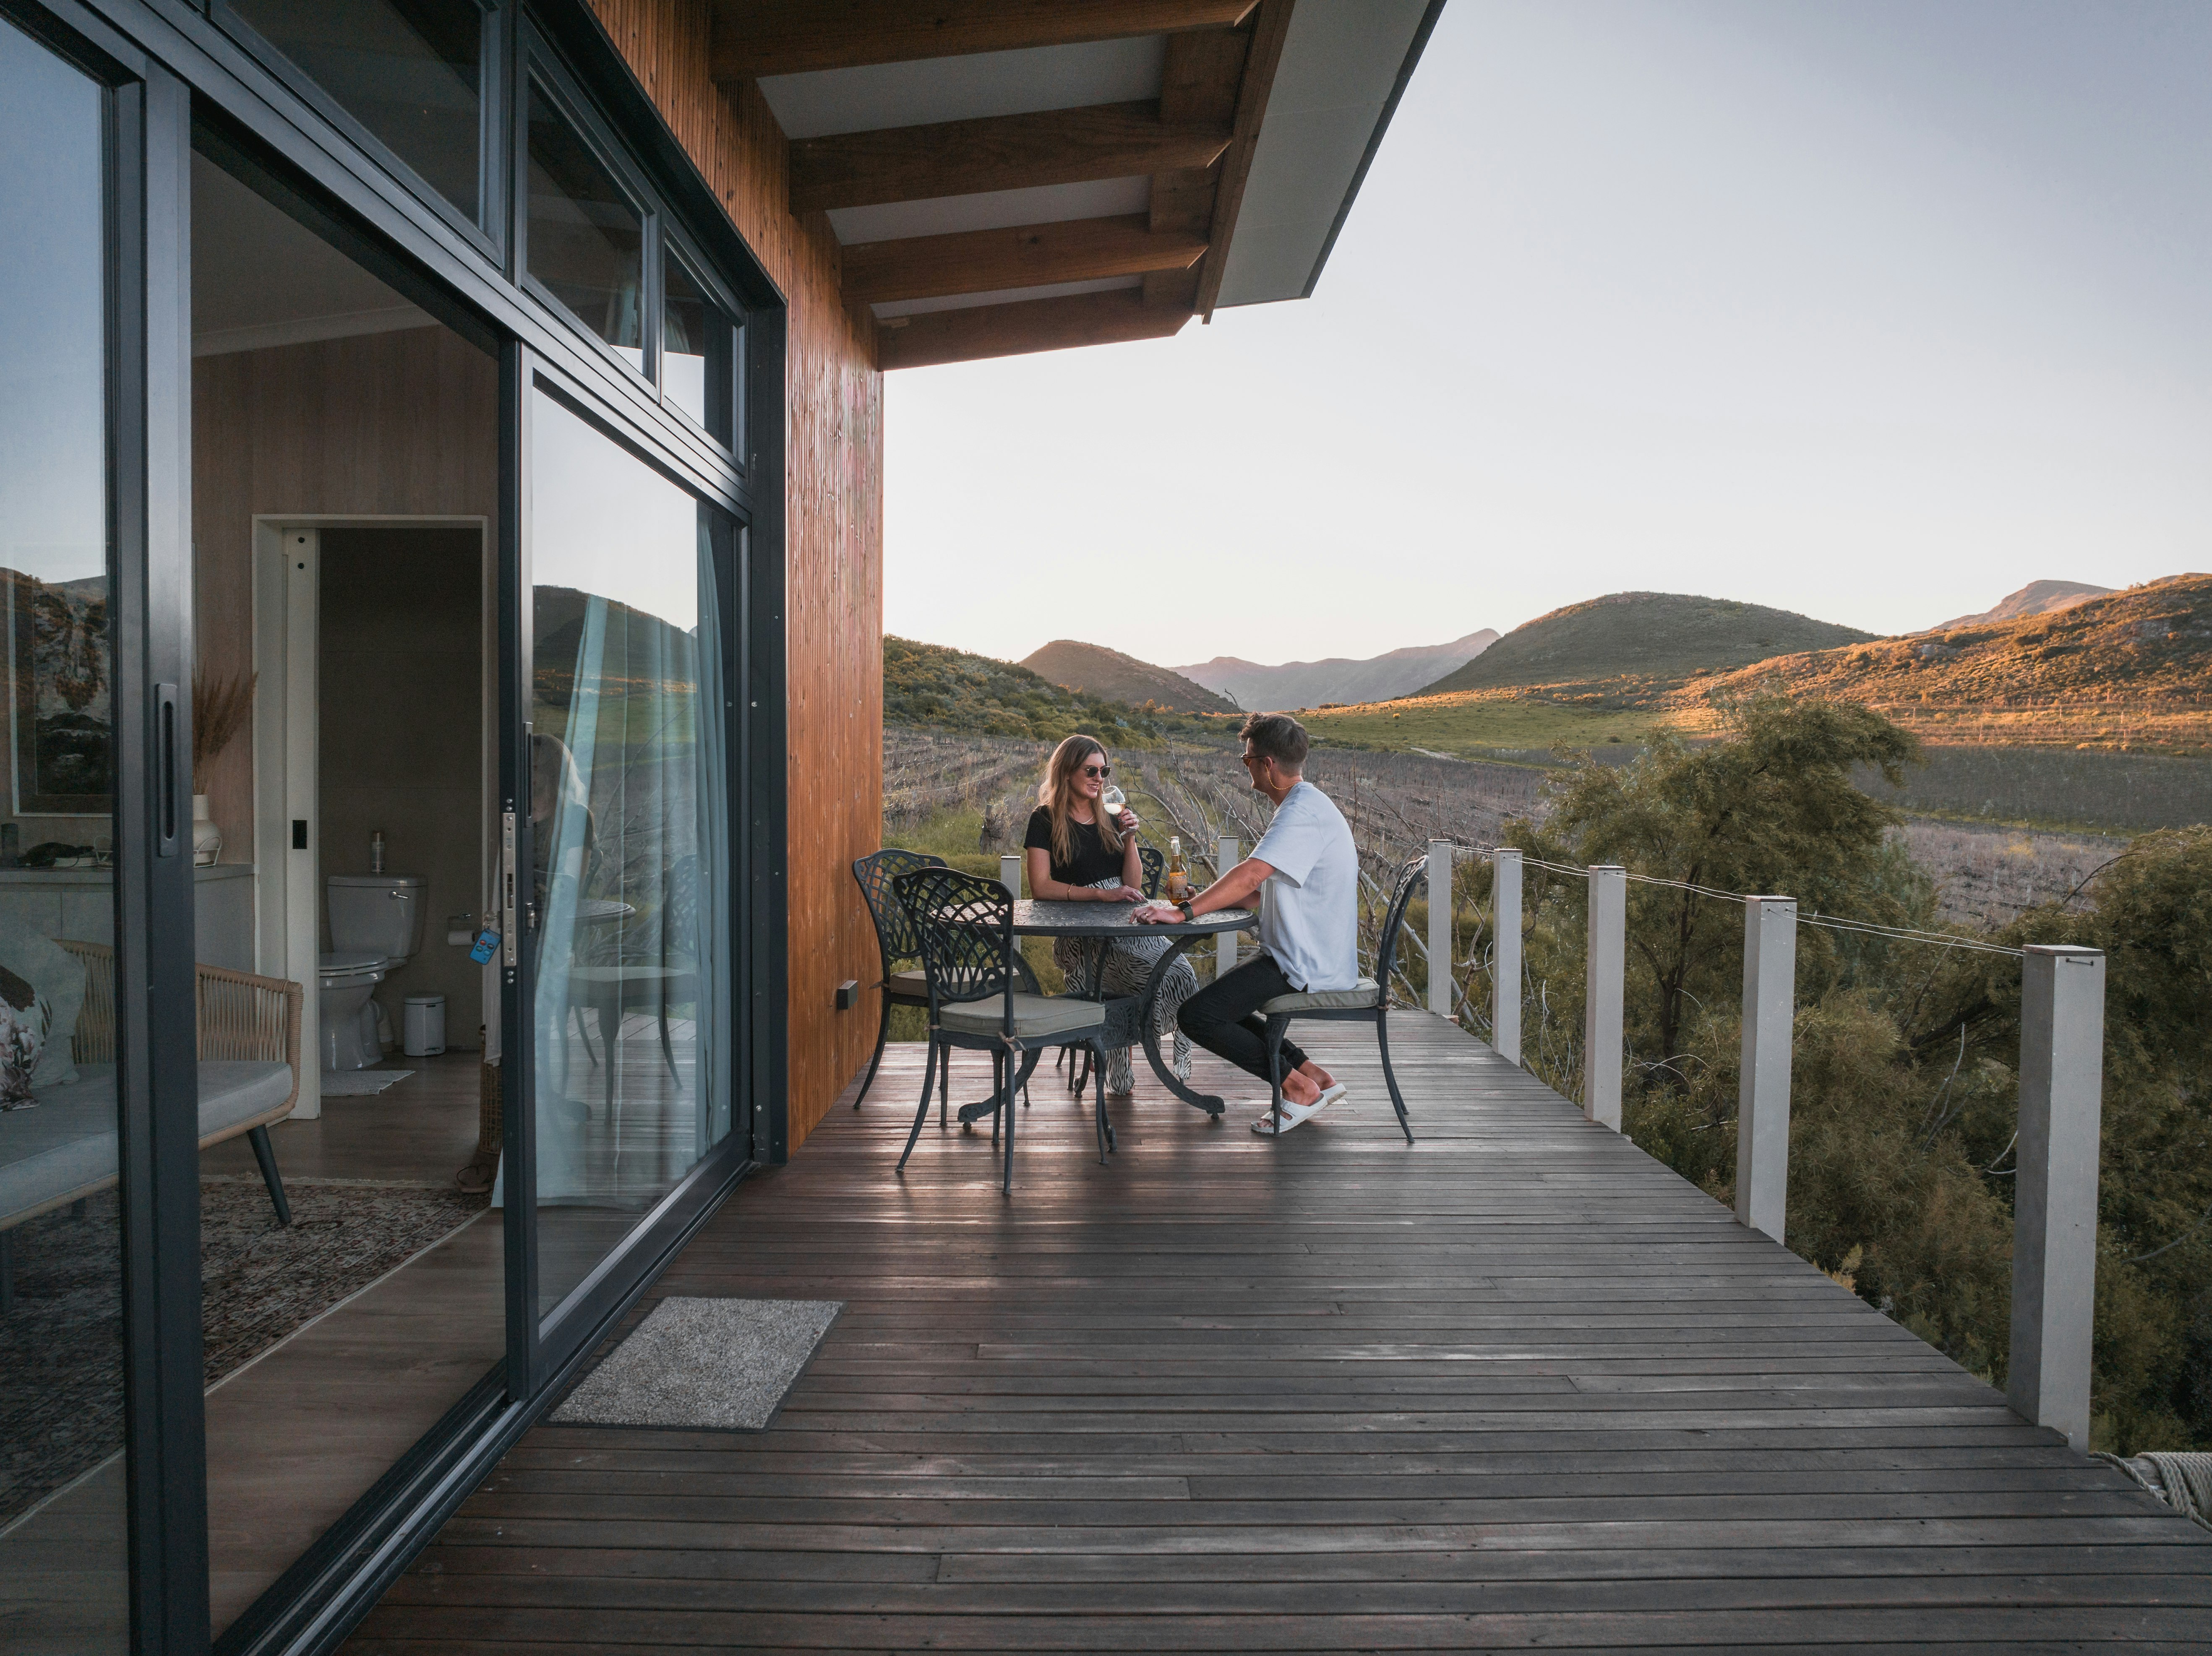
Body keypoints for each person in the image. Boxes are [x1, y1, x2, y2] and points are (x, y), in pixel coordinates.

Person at [1136, 712, 1353, 1135]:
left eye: (1247, 759)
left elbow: (1252, 876)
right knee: (1217, 1006)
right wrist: (1203, 899)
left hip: (1304, 963)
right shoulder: (1307, 805)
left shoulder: (1300, 813)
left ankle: (1297, 1089)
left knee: (1197, 1016)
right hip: (1304, 953)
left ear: (1267, 765)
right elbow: (1261, 893)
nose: (1245, 766)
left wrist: (1183, 912)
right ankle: (1314, 1075)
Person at [1023, 734, 1196, 1093]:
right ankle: (1112, 1047)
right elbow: (1041, 887)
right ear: (1067, 771)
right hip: (1079, 930)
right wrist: (1101, 894)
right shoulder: (1044, 819)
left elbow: (1132, 884)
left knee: (1179, 973)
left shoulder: (1109, 816)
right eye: (1091, 770)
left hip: (1123, 919)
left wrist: (1130, 838)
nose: (1099, 778)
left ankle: (1116, 1041)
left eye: (1104, 771)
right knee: (1142, 976)